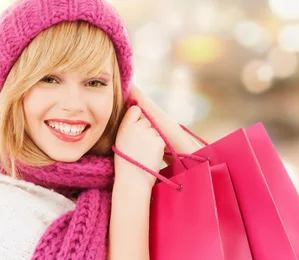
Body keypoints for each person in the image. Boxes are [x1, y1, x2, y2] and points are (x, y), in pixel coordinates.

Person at [0, 0, 201, 259]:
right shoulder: (10, 210)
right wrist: (133, 185)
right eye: (49, 79)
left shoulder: (116, 174)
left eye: (95, 82)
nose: (74, 105)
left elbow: (234, 196)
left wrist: (141, 107)